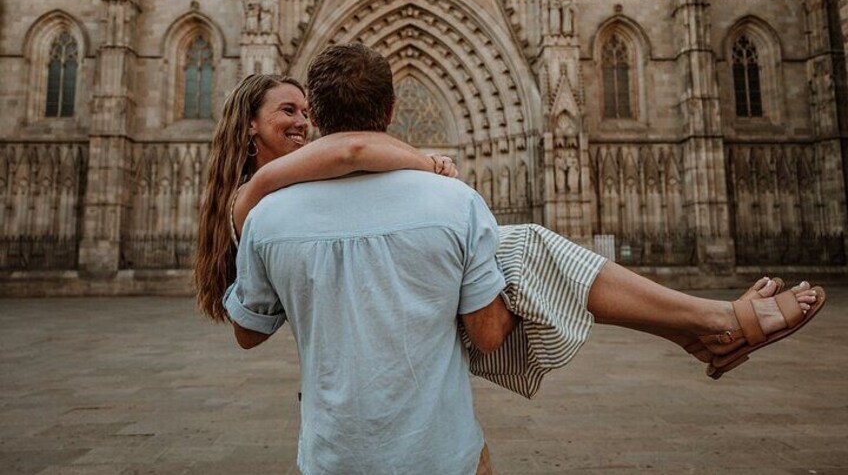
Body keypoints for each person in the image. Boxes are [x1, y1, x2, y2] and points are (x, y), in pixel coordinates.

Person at [195, 45, 824, 472]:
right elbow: (490, 336)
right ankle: (709, 326)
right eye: (287, 112)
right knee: (521, 247)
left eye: (306, 112)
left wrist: (255, 198)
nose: (299, 123)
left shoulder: (265, 218)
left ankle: (708, 327)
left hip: (332, 455)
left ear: (322, 119)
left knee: (511, 247)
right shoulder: (453, 202)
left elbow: (250, 331)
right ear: (392, 112)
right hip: (440, 452)